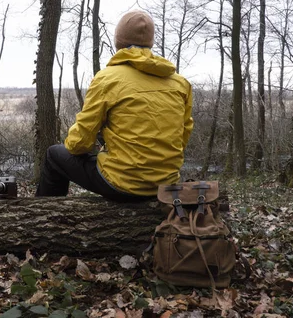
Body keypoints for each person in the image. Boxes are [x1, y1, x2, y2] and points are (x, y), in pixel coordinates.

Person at [36, 10, 194, 202]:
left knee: (54, 155)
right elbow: (182, 136)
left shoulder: (107, 78)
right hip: (166, 184)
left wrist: (93, 148)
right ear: (150, 43)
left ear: (119, 42)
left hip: (123, 183)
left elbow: (80, 142)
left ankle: (47, 219)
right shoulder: (180, 83)